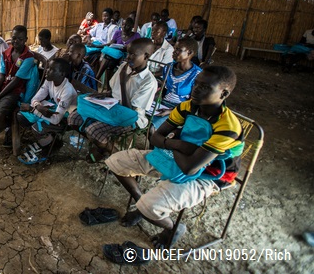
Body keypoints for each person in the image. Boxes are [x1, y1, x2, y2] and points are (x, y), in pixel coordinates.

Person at [95, 66, 242, 263]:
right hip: (180, 158)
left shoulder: (228, 127)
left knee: (150, 206)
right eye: (196, 83)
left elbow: (190, 168)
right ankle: (140, 206)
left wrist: (172, 140)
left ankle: (173, 228)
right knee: (116, 162)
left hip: (210, 175)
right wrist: (181, 144)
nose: (195, 89)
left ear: (223, 93)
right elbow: (154, 136)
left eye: (205, 86)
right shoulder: (188, 106)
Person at [68, 38, 157, 161]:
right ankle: (103, 147)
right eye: (128, 53)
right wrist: (105, 94)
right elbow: (115, 92)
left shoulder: (149, 82)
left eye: (132, 54)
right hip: (111, 107)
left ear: (146, 56)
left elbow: (130, 112)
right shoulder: (124, 68)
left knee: (93, 131)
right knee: (73, 119)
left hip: (132, 118)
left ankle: (116, 158)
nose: (128, 57)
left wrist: (123, 83)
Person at [16, 58, 77, 164]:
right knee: (21, 116)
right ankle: (48, 139)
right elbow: (35, 99)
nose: (47, 70)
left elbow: (56, 120)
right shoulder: (49, 80)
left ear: (62, 74)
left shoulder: (67, 91)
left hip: (66, 119)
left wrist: (33, 109)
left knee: (36, 127)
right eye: (48, 67)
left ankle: (49, 145)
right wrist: (37, 106)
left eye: (52, 69)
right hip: (54, 109)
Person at [151, 38, 202, 129]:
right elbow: (163, 89)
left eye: (178, 50)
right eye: (174, 49)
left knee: (153, 128)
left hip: (182, 110)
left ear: (190, 53)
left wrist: (170, 111)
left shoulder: (197, 74)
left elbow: (194, 103)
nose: (174, 52)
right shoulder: (169, 67)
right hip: (163, 104)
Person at [94, 17, 141, 83]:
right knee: (110, 62)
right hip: (115, 55)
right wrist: (96, 46)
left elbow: (137, 48)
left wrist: (128, 47)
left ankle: (97, 79)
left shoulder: (136, 36)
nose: (124, 27)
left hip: (126, 56)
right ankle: (107, 86)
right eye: (123, 24)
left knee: (108, 59)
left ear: (131, 27)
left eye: (127, 25)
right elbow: (110, 43)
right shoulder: (118, 33)